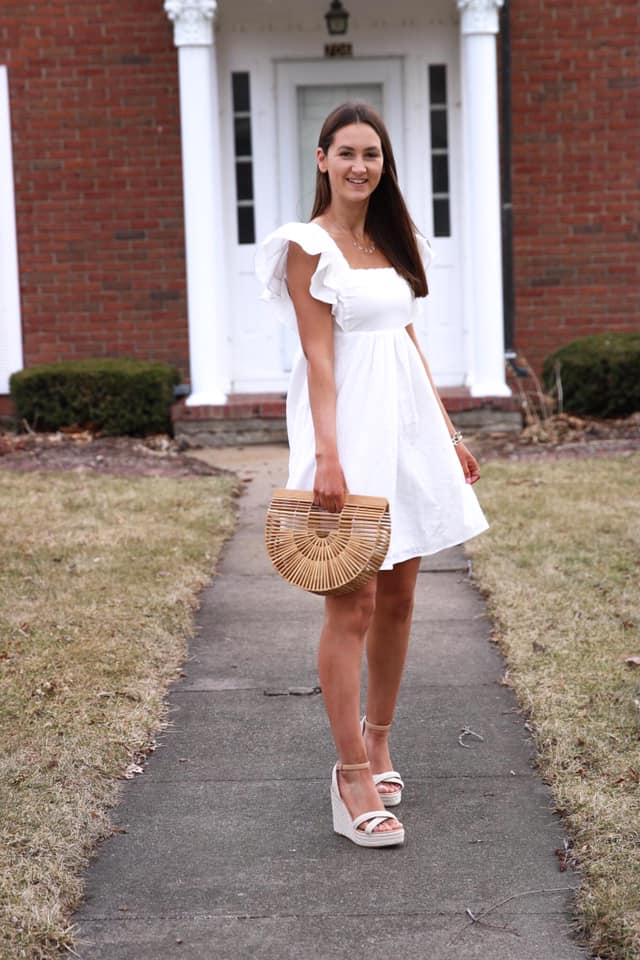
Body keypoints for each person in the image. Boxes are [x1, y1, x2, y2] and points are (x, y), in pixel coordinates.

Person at [256, 101, 488, 848]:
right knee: (350, 599)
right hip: (347, 429)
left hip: (410, 428)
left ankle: (379, 737)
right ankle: (350, 774)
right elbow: (321, 359)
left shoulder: (393, 239)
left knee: (401, 593)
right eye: (347, 152)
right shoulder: (307, 246)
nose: (361, 165)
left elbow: (409, 339)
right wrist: (327, 454)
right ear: (321, 159)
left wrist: (449, 432)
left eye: (373, 155)